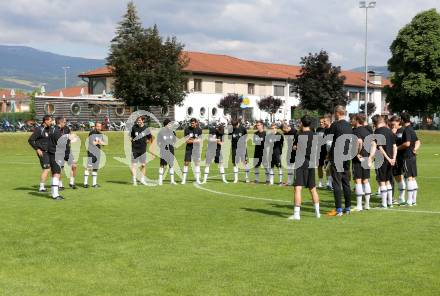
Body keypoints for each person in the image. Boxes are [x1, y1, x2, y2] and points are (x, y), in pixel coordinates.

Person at [288, 115, 320, 220]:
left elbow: (296, 148)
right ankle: (317, 213)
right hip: (311, 162)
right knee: (313, 188)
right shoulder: (315, 134)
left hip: (301, 162)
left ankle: (296, 215)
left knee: (298, 188)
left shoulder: (299, 135)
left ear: (302, 123)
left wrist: (295, 147)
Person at [327, 105, 354, 216]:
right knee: (346, 182)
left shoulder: (335, 125)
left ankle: (338, 209)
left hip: (336, 155)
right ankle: (347, 207)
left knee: (337, 182)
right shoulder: (349, 126)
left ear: (338, 113)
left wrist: (328, 155)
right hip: (347, 156)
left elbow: (329, 141)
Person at [351, 114, 376, 211]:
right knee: (365, 180)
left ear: (357, 120)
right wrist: (370, 157)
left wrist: (357, 153)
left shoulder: (355, 131)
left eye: (352, 119)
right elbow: (374, 144)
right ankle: (367, 204)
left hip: (358, 159)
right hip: (366, 158)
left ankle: (359, 205)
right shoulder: (368, 131)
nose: (351, 121)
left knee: (358, 180)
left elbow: (359, 142)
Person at [372, 115, 397, 208]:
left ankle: (383, 203)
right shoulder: (390, 131)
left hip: (381, 160)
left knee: (382, 181)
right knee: (388, 181)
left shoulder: (377, 132)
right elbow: (394, 146)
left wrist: (388, 158)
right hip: (391, 160)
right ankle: (390, 203)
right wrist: (393, 158)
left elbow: (380, 148)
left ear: (375, 123)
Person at [399, 112, 421, 206]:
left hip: (407, 156)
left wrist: (397, 147)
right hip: (412, 156)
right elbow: (418, 141)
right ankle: (413, 201)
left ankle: (409, 201)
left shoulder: (406, 130)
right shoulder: (411, 129)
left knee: (409, 178)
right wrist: (415, 149)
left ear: (402, 120)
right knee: (412, 178)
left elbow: (407, 143)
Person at [28, 115, 52, 192]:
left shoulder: (49, 129)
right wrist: (37, 149)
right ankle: (41, 187)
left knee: (51, 169)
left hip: (49, 152)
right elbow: (31, 140)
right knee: (46, 169)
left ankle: (54, 185)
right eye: (50, 121)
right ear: (46, 121)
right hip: (43, 152)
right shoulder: (39, 129)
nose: (51, 122)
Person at [47, 117, 68, 200]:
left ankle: (53, 192)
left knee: (54, 173)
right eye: (64, 122)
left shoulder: (51, 130)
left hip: (51, 154)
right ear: (60, 122)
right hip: (56, 155)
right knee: (57, 174)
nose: (65, 124)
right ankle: (55, 195)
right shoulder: (57, 131)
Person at [130, 116, 153, 186]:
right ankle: (134, 180)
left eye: (140, 120)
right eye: (138, 120)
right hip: (135, 149)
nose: (138, 121)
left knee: (143, 165)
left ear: (143, 121)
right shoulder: (134, 127)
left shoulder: (146, 128)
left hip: (143, 149)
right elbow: (131, 136)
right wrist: (132, 140)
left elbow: (150, 137)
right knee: (134, 165)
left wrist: (148, 141)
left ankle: (142, 180)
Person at [389, 116, 406, 204]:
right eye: (391, 123)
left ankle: (401, 198)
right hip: (392, 158)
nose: (392, 125)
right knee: (394, 177)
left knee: (399, 177)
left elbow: (406, 143)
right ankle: (391, 197)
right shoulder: (392, 130)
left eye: (394, 123)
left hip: (400, 158)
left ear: (399, 122)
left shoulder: (403, 131)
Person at [181, 118, 203, 185]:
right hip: (189, 149)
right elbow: (186, 141)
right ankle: (184, 180)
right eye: (191, 123)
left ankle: (198, 180)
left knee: (197, 163)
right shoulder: (187, 129)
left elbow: (200, 140)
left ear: (196, 123)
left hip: (196, 149)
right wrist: (195, 140)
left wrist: (192, 139)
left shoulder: (199, 130)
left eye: (193, 123)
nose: (192, 124)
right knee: (186, 163)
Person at [84, 122, 105, 188]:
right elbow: (93, 143)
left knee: (95, 168)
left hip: (98, 152)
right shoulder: (92, 133)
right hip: (91, 152)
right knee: (89, 167)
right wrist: (99, 142)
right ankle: (85, 183)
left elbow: (104, 143)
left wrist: (99, 142)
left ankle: (94, 184)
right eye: (98, 126)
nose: (99, 128)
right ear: (95, 126)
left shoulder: (100, 134)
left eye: (100, 126)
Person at [157, 119, 177, 185]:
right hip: (163, 151)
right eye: (169, 124)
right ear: (165, 125)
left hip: (171, 151)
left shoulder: (173, 132)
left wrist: (171, 146)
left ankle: (172, 181)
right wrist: (162, 147)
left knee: (171, 165)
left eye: (170, 124)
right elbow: (158, 142)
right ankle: (160, 181)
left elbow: (174, 141)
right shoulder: (161, 132)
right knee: (162, 165)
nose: (170, 125)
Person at [59, 123, 78, 189]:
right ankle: (60, 184)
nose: (64, 123)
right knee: (59, 168)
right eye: (63, 122)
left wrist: (73, 138)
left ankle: (72, 183)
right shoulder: (55, 129)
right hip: (59, 151)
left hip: (67, 150)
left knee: (74, 166)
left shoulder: (66, 128)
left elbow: (71, 136)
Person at [230, 119, 250, 183]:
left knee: (245, 162)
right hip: (234, 148)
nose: (234, 127)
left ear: (238, 123)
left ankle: (247, 178)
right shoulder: (231, 129)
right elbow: (229, 137)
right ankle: (236, 179)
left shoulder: (243, 128)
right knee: (235, 163)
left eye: (235, 126)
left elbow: (246, 136)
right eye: (233, 126)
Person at [316, 116, 331, 188]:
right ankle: (321, 182)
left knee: (327, 167)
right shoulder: (318, 129)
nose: (321, 123)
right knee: (319, 166)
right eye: (320, 122)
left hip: (326, 151)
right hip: (319, 150)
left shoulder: (328, 129)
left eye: (323, 122)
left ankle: (328, 182)